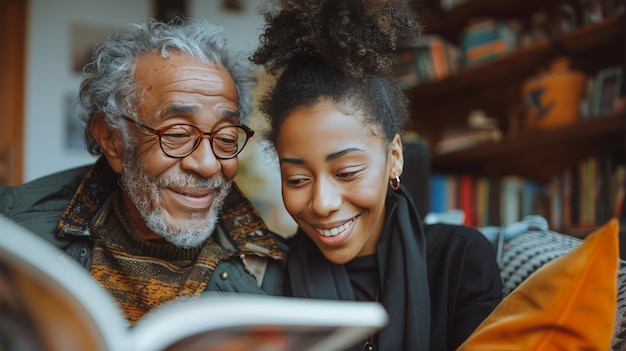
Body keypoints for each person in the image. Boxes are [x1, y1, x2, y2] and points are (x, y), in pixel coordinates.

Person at [251, 1, 503, 350]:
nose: (322, 204)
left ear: (395, 158)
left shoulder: (459, 261)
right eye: (296, 179)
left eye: (347, 172)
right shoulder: (267, 278)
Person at [0, 18, 286, 325]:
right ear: (113, 139)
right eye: (177, 134)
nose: (207, 164)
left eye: (226, 138)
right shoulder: (13, 236)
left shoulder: (272, 270)